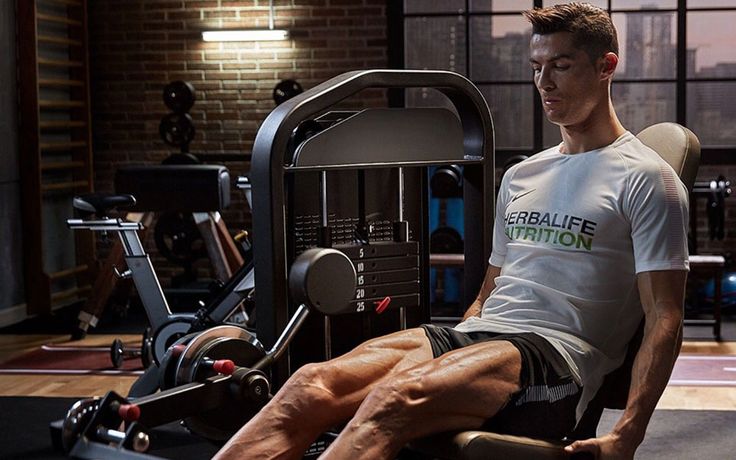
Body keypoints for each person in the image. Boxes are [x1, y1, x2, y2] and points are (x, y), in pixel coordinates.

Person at [213, 3, 689, 459]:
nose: (544, 82)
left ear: (607, 66)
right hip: (483, 337)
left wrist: (627, 435)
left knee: (394, 399)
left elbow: (665, 317)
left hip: (558, 357)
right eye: (536, 66)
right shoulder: (523, 175)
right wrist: (448, 363)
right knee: (308, 385)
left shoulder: (646, 178)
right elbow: (488, 294)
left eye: (561, 66)